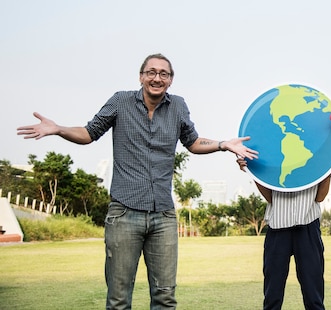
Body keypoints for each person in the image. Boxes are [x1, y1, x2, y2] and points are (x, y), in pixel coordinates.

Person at [17, 53, 258, 309]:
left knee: (165, 298)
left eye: (163, 74)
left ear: (171, 80)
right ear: (141, 76)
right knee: (119, 300)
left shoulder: (178, 106)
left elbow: (193, 142)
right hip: (123, 213)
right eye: (151, 72)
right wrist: (58, 129)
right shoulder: (121, 101)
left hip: (163, 216)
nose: (157, 78)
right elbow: (89, 133)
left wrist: (223, 144)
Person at [236, 148, 331, 310]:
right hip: (278, 228)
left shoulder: (313, 158)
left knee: (314, 297)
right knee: (272, 296)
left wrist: (329, 168)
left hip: (308, 228)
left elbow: (320, 197)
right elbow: (270, 197)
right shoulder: (276, 159)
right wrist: (254, 173)